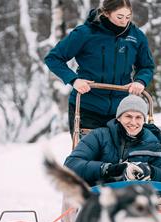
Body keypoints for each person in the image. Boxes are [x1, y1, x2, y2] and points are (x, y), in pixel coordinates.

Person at [44, 0, 155, 135]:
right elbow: (53, 58)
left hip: (121, 109)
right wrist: (74, 80)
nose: (124, 21)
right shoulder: (85, 33)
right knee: (89, 153)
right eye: (119, 17)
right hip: (87, 107)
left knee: (118, 154)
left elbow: (146, 66)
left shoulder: (136, 36)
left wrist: (140, 81)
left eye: (128, 17)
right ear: (106, 13)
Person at [64, 95, 161, 186]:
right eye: (128, 116)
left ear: (143, 120)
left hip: (136, 203)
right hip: (100, 198)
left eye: (138, 117)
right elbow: (71, 165)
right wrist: (108, 169)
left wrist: (151, 171)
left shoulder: (152, 144)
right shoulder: (99, 136)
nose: (133, 122)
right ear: (118, 117)